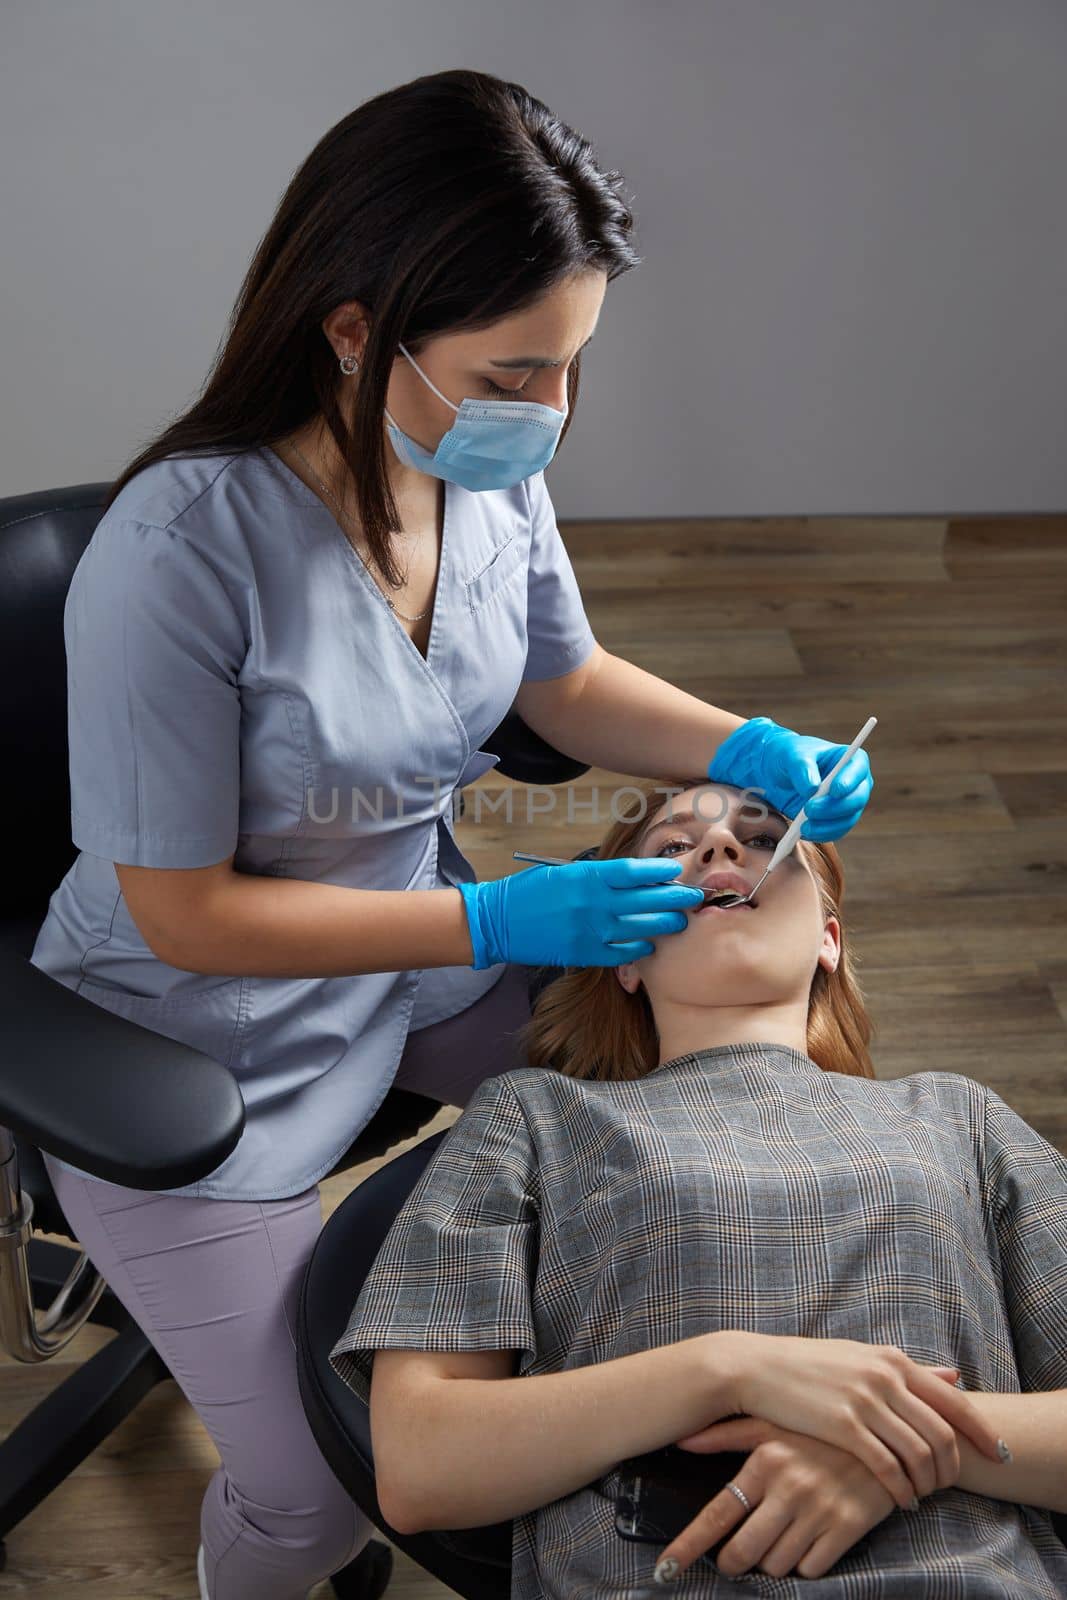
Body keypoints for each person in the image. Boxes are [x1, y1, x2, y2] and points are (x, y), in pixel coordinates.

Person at [30, 69, 872, 1600]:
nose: (545, 414)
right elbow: (186, 915)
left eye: (570, 370)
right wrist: (493, 926)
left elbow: (560, 678)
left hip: (404, 962)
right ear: (353, 328)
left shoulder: (478, 468)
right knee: (315, 1496)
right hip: (194, 1037)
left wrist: (748, 743)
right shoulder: (179, 556)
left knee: (696, 1127)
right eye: (511, 374)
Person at [329, 776, 1067, 1600]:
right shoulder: (534, 1117)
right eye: (673, 847)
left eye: (761, 839)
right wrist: (727, 1371)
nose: (719, 848)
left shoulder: (956, 1118)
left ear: (828, 937)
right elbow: (422, 1465)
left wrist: (897, 1452)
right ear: (626, 959)